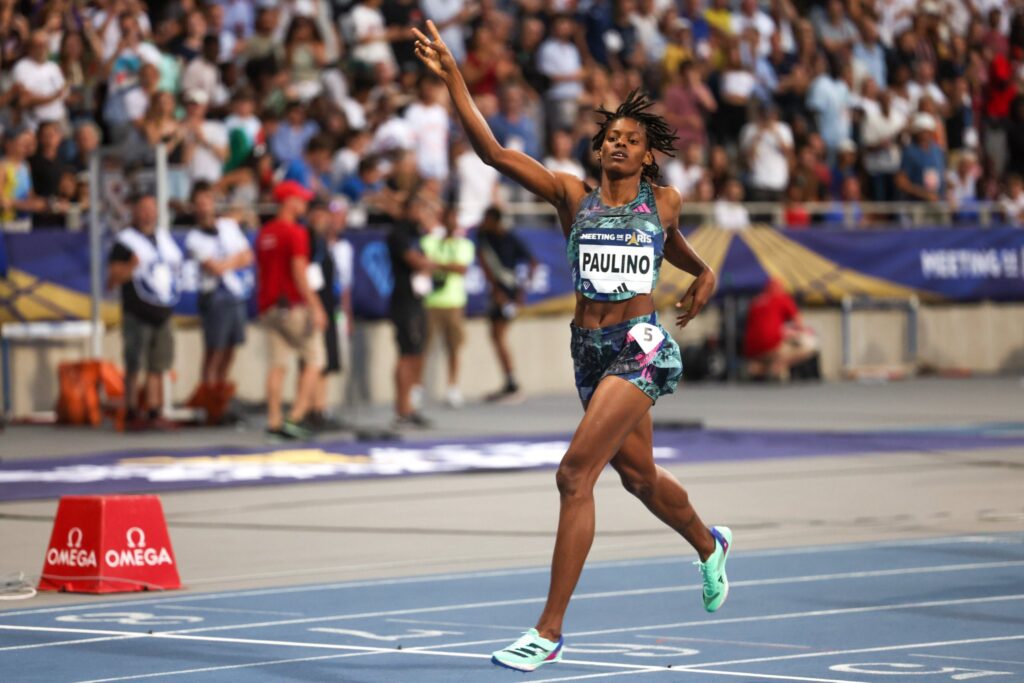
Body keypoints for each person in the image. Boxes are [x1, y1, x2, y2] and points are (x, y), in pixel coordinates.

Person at [414, 21, 727, 673]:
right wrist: (455, 81)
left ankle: (549, 629)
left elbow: (673, 245)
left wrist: (705, 272)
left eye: (629, 139)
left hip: (642, 345)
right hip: (589, 349)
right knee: (638, 477)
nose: (616, 143)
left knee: (574, 473)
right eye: (610, 136)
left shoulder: (661, 200)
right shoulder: (569, 194)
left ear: (646, 155)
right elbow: (495, 153)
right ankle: (708, 542)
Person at [256, 180, 327, 441]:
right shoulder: (295, 232)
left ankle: (273, 419)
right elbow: (299, 273)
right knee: (316, 358)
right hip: (292, 305)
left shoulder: (265, 232)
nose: (305, 204)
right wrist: (316, 307)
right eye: (301, 199)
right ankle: (295, 416)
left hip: (269, 305)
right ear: (289, 201)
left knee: (277, 364)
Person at [106, 192, 183, 431]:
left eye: (152, 208)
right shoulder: (125, 242)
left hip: (162, 310)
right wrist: (131, 267)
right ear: (135, 212)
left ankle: (153, 410)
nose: (148, 213)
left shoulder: (164, 239)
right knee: (134, 363)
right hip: (137, 311)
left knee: (158, 364)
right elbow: (113, 278)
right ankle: (130, 410)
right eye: (143, 208)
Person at [184, 181, 253, 425]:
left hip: (234, 293)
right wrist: (233, 262)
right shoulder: (194, 237)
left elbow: (248, 256)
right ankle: (208, 402)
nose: (204, 207)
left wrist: (227, 263)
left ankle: (220, 399)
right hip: (214, 295)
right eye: (199, 202)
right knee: (213, 350)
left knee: (230, 349)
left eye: (207, 201)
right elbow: (213, 267)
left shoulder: (228, 226)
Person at [387, 191, 440, 428]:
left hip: (417, 298)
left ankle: (410, 406)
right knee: (406, 354)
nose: (422, 214)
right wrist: (429, 263)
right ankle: (401, 408)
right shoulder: (398, 233)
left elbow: (429, 255)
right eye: (418, 209)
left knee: (417, 352)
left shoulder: (416, 233)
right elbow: (416, 261)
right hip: (404, 300)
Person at [476, 206, 535, 402]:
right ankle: (509, 381)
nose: (484, 222)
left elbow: (532, 262)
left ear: (495, 220)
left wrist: (521, 291)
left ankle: (512, 383)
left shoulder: (509, 238)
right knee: (496, 336)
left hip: (507, 294)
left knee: (499, 336)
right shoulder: (483, 237)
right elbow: (484, 264)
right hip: (497, 293)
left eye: (487, 218)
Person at [421, 204, 475, 408]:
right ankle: (417, 388)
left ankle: (452, 387)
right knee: (423, 347)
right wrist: (443, 265)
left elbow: (461, 269)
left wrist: (438, 265)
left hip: (453, 302)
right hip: (431, 302)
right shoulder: (431, 241)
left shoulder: (463, 244)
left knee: (453, 347)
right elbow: (425, 262)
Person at [743, 278, 818, 381]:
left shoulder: (755, 301)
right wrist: (800, 332)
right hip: (771, 346)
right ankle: (777, 367)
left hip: (751, 349)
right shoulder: (781, 298)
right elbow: (799, 324)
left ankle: (759, 368)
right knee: (809, 345)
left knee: (774, 348)